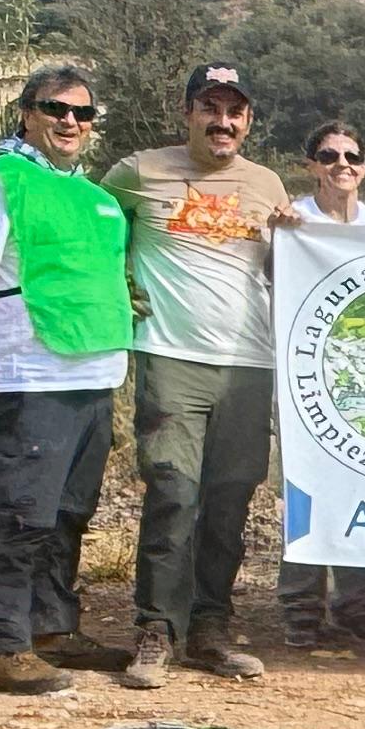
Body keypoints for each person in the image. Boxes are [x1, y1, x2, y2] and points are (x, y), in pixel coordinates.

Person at [0, 60, 135, 695]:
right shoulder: (1, 184)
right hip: (33, 373)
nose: (70, 121)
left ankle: (53, 629)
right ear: (28, 113)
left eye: (83, 113)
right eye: (56, 109)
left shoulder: (97, 197)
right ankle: (5, 646)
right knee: (24, 513)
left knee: (71, 510)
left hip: (95, 372)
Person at [103, 62, 291, 691]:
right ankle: (156, 630)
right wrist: (114, 288)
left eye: (235, 111)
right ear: (187, 113)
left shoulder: (267, 184)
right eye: (210, 107)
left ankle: (211, 628)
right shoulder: (137, 172)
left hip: (249, 363)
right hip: (171, 353)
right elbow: (95, 234)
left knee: (230, 499)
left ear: (248, 122)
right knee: (173, 491)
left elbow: (290, 266)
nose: (223, 121)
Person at [276, 116, 365, 654]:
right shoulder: (292, 219)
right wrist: (275, 234)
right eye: (329, 157)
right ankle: (300, 604)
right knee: (304, 485)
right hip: (304, 371)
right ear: (311, 166)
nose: (341, 166)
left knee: (360, 482)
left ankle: (354, 602)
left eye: (351, 157)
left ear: (364, 168)